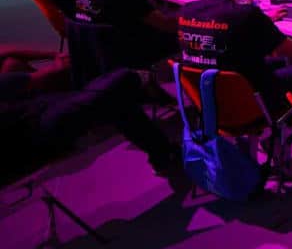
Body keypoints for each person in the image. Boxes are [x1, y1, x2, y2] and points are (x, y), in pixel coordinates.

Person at [0, 46, 175, 184]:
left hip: (32, 108)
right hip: (32, 136)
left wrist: (53, 56)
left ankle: (163, 155)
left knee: (115, 101)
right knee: (118, 83)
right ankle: (139, 79)